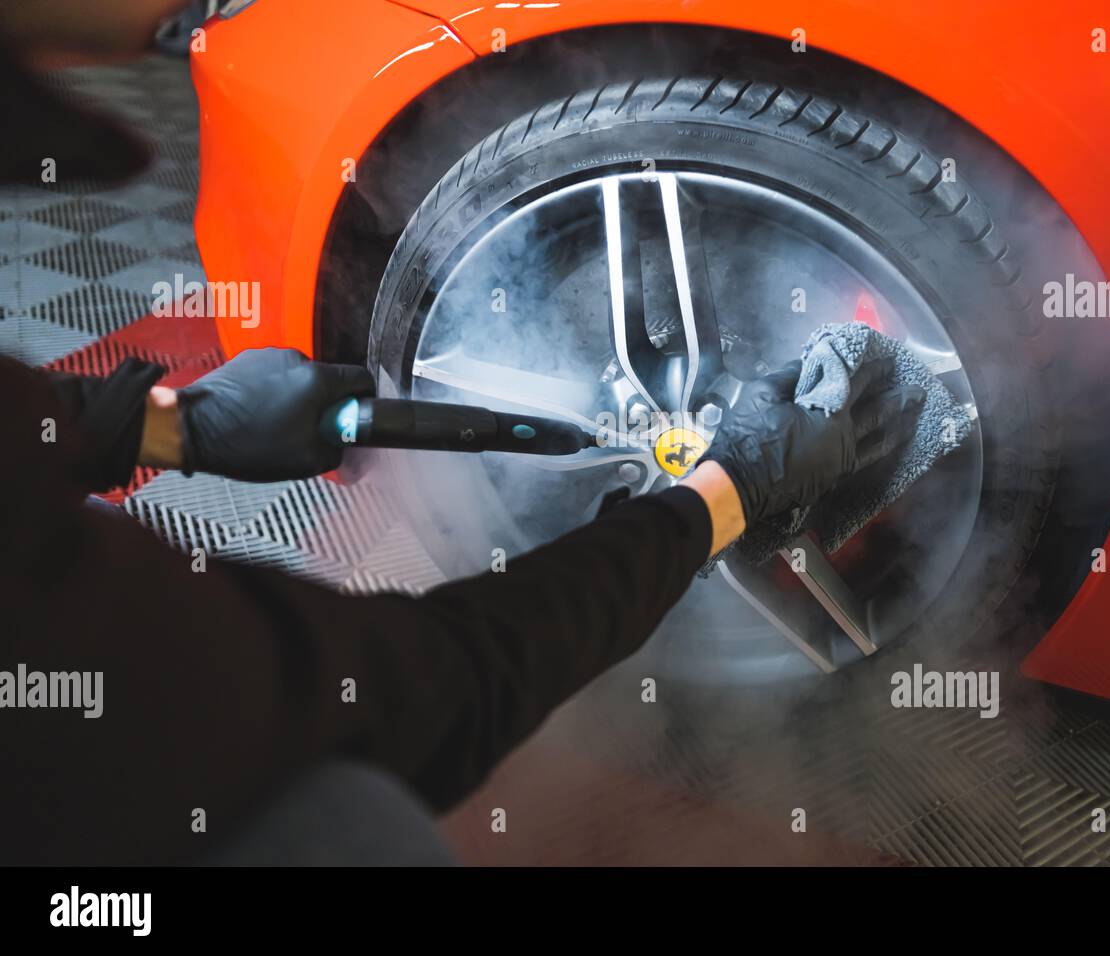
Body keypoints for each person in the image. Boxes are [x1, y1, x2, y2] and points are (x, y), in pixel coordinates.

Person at [0, 1, 923, 864]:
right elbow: (431, 693)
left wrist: (171, 429)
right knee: (341, 829)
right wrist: (726, 496)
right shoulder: (67, 644)